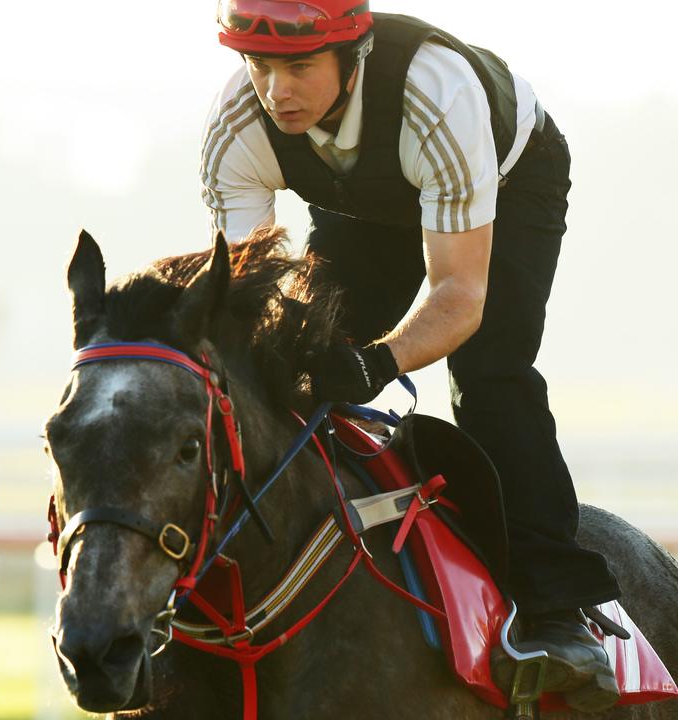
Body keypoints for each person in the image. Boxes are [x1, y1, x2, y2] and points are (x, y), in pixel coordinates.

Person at [200, 0, 622, 710]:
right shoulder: (237, 128)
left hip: (509, 176)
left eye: (299, 65)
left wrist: (380, 362)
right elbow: (246, 306)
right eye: (260, 66)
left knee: (489, 375)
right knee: (292, 362)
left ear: (351, 55)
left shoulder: (437, 95)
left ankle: (559, 610)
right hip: (366, 195)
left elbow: (459, 297)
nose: (277, 92)